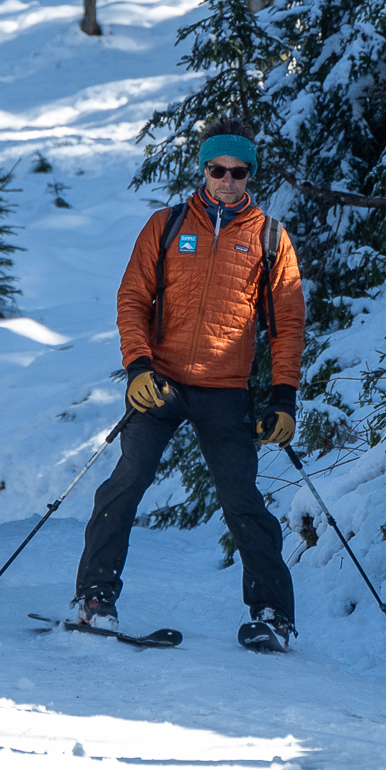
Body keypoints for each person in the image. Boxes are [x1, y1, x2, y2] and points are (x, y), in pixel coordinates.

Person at [74, 120, 306, 653]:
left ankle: (272, 616)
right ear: (203, 170)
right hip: (162, 383)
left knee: (243, 500)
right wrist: (137, 367)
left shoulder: (269, 237)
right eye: (217, 169)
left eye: (238, 171)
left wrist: (283, 397)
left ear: (250, 174)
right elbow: (132, 298)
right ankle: (93, 598)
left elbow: (288, 324)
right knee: (126, 483)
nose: (227, 179)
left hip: (227, 390)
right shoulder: (167, 224)